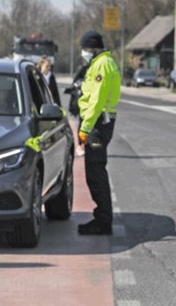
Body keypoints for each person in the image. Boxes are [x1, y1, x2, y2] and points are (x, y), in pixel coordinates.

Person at [76, 30, 121, 235]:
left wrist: (85, 128)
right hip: (100, 122)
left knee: (95, 173)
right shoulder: (102, 63)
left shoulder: (101, 65)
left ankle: (103, 221)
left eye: (85, 49)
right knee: (96, 171)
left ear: (93, 48)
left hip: (97, 124)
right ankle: (102, 218)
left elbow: (97, 100)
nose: (83, 53)